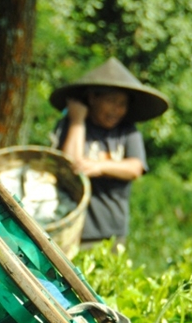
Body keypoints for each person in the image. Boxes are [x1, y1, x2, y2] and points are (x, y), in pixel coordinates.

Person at [50, 58, 170, 251]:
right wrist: (77, 121)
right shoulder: (71, 125)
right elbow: (68, 165)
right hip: (72, 230)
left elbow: (135, 168)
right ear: (92, 98)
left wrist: (99, 166)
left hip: (111, 234)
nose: (117, 110)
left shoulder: (127, 131)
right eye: (112, 101)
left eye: (122, 104)